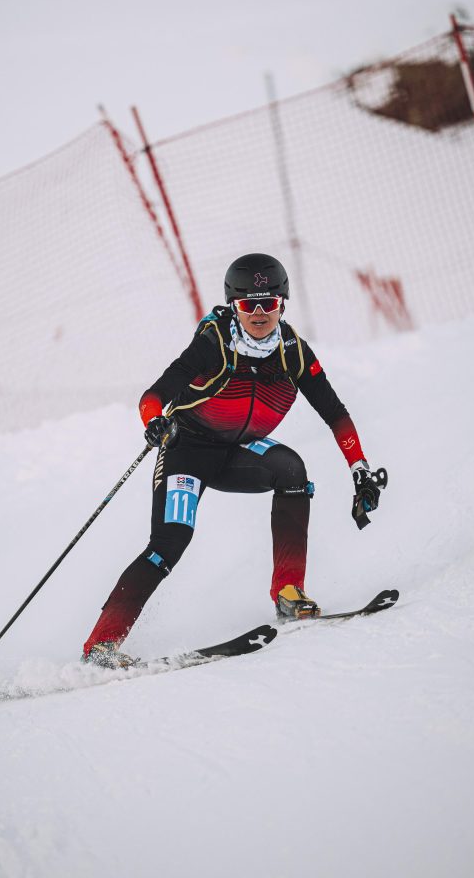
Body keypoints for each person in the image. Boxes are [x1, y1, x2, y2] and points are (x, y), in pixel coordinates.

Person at [83, 253, 386, 668]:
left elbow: (336, 413)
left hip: (237, 452)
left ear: (283, 302)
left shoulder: (293, 352)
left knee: (292, 470)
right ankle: (101, 646)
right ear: (234, 305)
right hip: (186, 450)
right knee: (171, 540)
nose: (259, 313)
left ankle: (289, 592)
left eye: (269, 303)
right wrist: (154, 422)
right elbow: (152, 397)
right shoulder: (213, 344)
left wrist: (360, 468)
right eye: (247, 305)